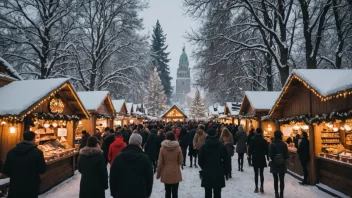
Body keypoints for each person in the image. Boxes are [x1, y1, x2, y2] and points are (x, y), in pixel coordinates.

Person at [3, 131, 46, 198]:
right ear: (33, 139)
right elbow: (42, 170)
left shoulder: (11, 152)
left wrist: (16, 175)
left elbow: (6, 170)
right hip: (31, 186)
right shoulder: (38, 153)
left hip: (15, 186)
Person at [110, 133, 153, 198]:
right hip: (140, 193)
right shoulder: (145, 158)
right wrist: (148, 193)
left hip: (122, 192)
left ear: (129, 142)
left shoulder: (118, 157)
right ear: (140, 144)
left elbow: (113, 176)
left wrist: (113, 193)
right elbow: (149, 178)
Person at [199, 128, 228, 198]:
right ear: (216, 134)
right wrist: (225, 171)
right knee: (217, 194)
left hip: (207, 171)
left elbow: (200, 161)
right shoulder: (221, 146)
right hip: (219, 171)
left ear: (207, 135)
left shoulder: (204, 147)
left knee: (207, 193)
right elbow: (226, 160)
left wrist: (205, 167)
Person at [156, 132, 183, 198]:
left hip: (166, 172)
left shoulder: (162, 148)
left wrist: (158, 174)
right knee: (175, 193)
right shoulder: (178, 147)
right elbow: (180, 161)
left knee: (167, 192)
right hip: (175, 171)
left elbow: (160, 163)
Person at [248, 128, 269, 193]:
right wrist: (267, 157)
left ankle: (256, 187)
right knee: (261, 173)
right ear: (262, 132)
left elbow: (250, 149)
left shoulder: (253, 140)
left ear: (256, 132)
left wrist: (250, 156)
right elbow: (267, 149)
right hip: (262, 157)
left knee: (256, 173)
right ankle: (262, 187)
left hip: (255, 157)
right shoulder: (264, 140)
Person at [270, 130, 289, 198]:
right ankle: (281, 194)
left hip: (274, 163)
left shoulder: (272, 144)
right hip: (282, 164)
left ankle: (276, 193)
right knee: (281, 179)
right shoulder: (284, 144)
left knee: (275, 179)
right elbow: (287, 155)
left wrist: (274, 159)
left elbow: (270, 155)